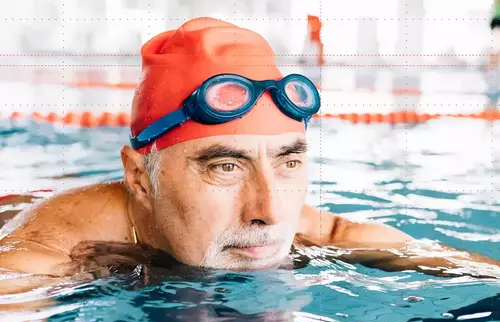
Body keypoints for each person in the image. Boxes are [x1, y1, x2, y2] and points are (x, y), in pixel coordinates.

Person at [0, 17, 499, 295]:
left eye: (288, 161)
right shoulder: (47, 251)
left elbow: (378, 242)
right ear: (139, 177)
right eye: (225, 166)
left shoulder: (307, 224)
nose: (270, 211)